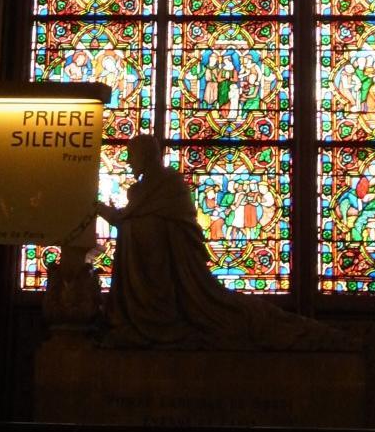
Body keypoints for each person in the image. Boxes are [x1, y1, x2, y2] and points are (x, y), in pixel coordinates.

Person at [92, 135, 343, 350]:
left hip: (179, 280)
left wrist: (109, 212)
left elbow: (159, 224)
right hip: (151, 285)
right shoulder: (145, 190)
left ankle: (307, 332)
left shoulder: (169, 184)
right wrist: (103, 210)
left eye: (132, 155)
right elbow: (129, 219)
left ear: (145, 155)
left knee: (234, 317)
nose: (128, 162)